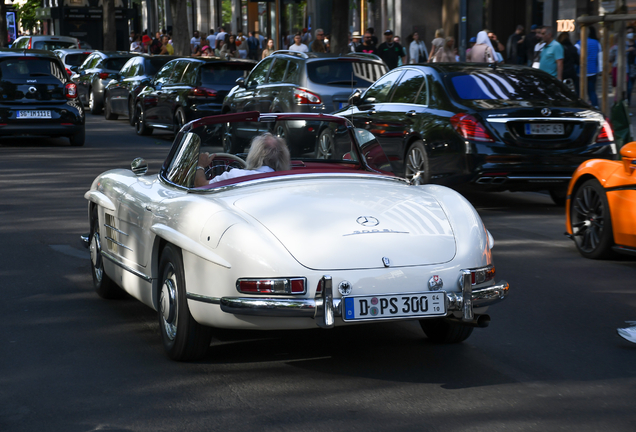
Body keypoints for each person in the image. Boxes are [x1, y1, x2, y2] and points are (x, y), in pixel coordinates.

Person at [195, 133, 290, 187]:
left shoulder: (235, 176)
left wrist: (200, 165)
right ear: (284, 158)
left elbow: (201, 186)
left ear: (254, 155)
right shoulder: (290, 182)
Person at [575, 26, 602, 107]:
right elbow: (600, 57)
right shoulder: (596, 43)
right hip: (593, 70)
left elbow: (576, 57)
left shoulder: (578, 44)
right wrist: (600, 70)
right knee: (592, 91)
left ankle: (580, 106)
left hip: (580, 71)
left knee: (580, 91)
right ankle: (595, 105)